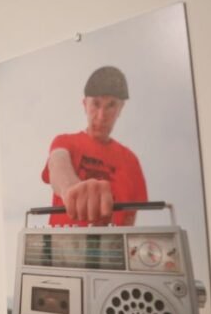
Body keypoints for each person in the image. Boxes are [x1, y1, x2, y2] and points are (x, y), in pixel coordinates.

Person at [43, 66, 147, 226]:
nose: (101, 116)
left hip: (114, 242)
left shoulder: (131, 160)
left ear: (120, 108)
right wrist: (71, 189)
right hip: (63, 241)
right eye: (96, 104)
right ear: (85, 104)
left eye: (111, 105)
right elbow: (58, 164)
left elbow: (130, 218)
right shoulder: (65, 142)